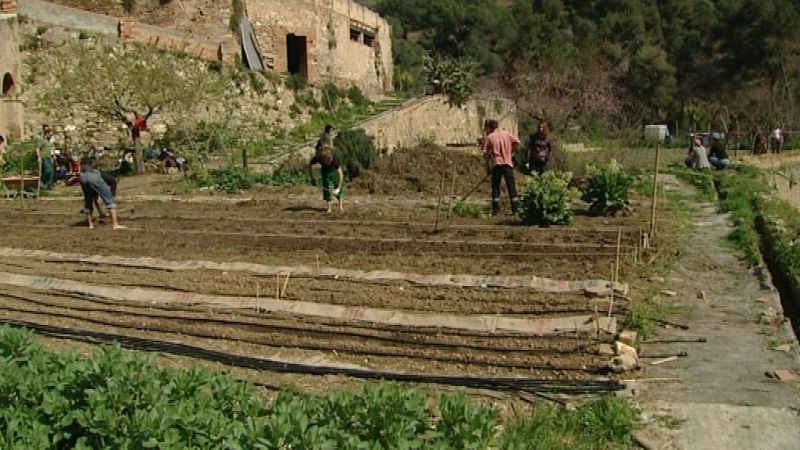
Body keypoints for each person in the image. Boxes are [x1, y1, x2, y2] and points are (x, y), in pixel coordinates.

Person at [482, 119, 520, 215]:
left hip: (496, 164)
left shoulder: (489, 137)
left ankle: (496, 210)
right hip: (507, 163)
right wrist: (511, 152)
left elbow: (485, 154)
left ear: (489, 127)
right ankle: (515, 209)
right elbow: (517, 142)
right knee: (511, 186)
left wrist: (487, 167)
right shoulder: (506, 134)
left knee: (496, 186)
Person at [80, 158, 125, 229]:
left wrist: (101, 213)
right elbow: (113, 181)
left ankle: (90, 225)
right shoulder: (101, 174)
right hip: (95, 178)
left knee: (88, 201)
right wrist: (113, 195)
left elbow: (95, 198)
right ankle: (115, 225)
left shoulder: (85, 172)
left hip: (83, 178)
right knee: (110, 202)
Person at [308, 145, 344, 213]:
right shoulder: (318, 157)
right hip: (325, 172)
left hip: (334, 172)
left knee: (338, 189)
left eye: (329, 162)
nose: (328, 163)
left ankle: (341, 207)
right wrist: (312, 177)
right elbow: (310, 165)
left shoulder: (335, 160)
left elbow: (341, 174)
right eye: (326, 162)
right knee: (326, 187)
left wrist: (338, 188)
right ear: (323, 159)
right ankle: (329, 208)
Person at [36, 125, 55, 189]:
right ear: (46, 134)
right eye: (50, 134)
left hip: (49, 157)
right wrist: (38, 157)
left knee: (52, 171)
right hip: (44, 157)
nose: (51, 136)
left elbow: (51, 150)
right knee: (48, 170)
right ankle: (42, 181)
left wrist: (53, 156)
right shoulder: (41, 140)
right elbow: (38, 148)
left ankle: (48, 185)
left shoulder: (49, 142)